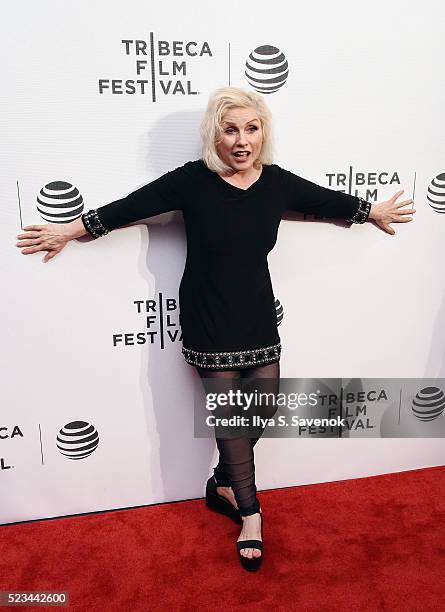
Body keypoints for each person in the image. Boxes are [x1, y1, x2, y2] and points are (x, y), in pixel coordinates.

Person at [15, 86, 415, 571]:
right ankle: (250, 513)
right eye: (231, 129)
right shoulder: (192, 181)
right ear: (215, 135)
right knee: (230, 420)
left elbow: (324, 198)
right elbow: (126, 208)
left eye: (251, 128)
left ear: (262, 132)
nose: (242, 140)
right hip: (208, 316)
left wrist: (370, 211)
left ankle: (224, 482)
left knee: (260, 413)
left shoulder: (277, 183)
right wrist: (66, 231)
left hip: (258, 316)